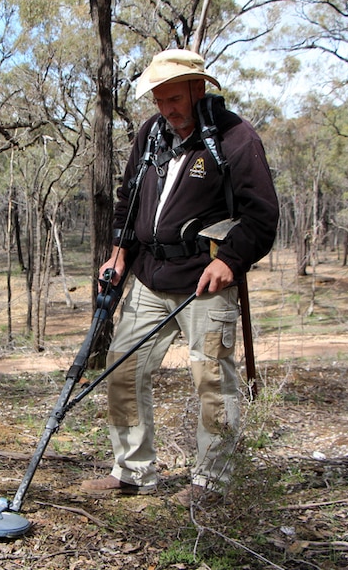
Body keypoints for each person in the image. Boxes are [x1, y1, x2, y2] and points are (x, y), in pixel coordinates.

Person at [80, 49, 279, 507]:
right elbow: (127, 199)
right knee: (123, 369)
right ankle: (132, 471)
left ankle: (213, 481)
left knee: (213, 378)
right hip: (149, 275)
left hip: (205, 282)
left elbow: (262, 216)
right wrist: (118, 256)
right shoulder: (151, 135)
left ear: (199, 87)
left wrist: (230, 261)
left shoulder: (234, 136)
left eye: (173, 97)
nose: (166, 108)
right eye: (158, 99)